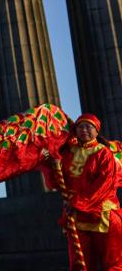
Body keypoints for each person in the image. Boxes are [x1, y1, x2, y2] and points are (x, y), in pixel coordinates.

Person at [43, 113, 122, 271]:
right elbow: (58, 184)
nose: (84, 130)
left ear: (96, 131)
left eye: (88, 126)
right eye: (80, 126)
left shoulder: (104, 153)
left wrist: (77, 203)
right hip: (76, 216)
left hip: (103, 215)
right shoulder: (67, 154)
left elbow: (104, 186)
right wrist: (52, 165)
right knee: (80, 264)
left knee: (113, 263)